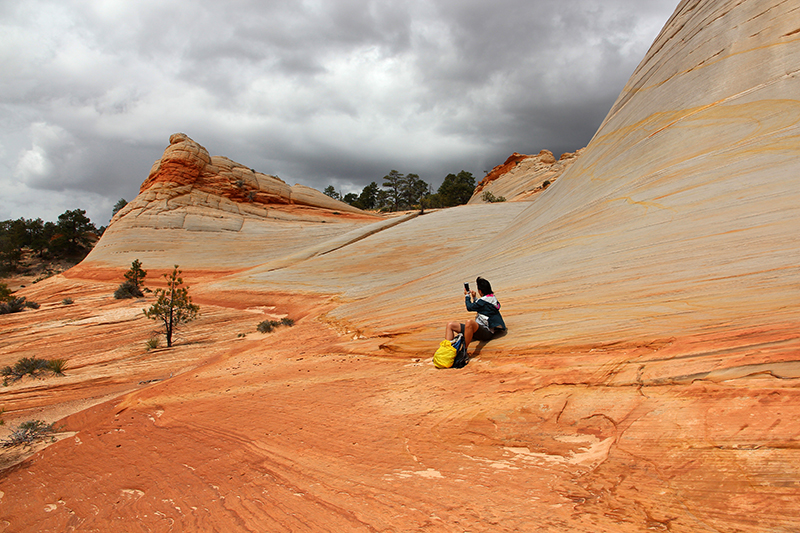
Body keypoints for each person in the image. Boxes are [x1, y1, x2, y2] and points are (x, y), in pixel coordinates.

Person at [445, 276, 506, 354]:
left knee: (469, 322)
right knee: (450, 325)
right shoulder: (491, 298)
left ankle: (464, 350)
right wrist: (474, 297)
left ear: (480, 291)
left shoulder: (484, 301)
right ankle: (446, 351)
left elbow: (469, 307)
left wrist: (467, 296)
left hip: (487, 332)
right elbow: (481, 307)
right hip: (478, 330)